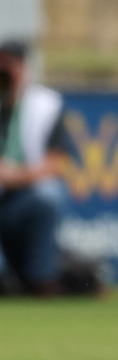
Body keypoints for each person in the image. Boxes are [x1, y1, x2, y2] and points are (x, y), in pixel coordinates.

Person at [0, 40, 68, 296]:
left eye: (11, 67)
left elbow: (57, 163)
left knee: (49, 195)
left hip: (24, 196)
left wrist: (16, 175)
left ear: (24, 67)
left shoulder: (45, 105)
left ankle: (41, 278)